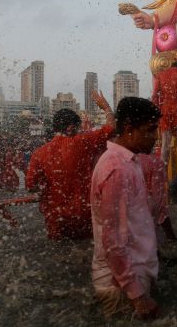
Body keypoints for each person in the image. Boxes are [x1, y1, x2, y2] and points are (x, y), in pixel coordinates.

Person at [90, 96, 163, 320]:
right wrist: (137, 296)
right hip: (122, 283)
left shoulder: (128, 161)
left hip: (130, 274)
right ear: (130, 129)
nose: (155, 137)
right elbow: (113, 240)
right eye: (150, 130)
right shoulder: (117, 169)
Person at [26, 90, 114, 240]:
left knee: (58, 255)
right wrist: (106, 107)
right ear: (70, 127)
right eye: (78, 128)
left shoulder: (39, 153)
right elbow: (112, 128)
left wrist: (45, 188)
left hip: (56, 217)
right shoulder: (83, 142)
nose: (79, 131)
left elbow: (30, 186)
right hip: (84, 214)